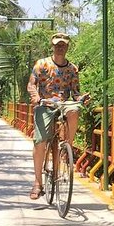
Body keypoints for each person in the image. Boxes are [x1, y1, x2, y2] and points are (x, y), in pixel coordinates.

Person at [26, 32, 87, 200]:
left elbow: (75, 93)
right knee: (40, 142)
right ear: (52, 46)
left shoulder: (72, 69)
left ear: (67, 47)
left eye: (63, 45)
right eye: (57, 45)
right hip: (45, 104)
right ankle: (38, 183)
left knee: (75, 110)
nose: (60, 48)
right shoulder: (42, 64)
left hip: (64, 105)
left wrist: (81, 98)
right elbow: (32, 84)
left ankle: (68, 146)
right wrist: (36, 97)